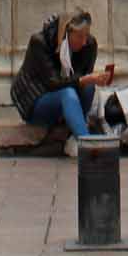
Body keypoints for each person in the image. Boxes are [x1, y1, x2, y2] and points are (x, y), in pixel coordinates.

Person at [10, 9, 115, 157]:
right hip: (36, 99)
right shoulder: (39, 42)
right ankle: (90, 149)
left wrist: (94, 79)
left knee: (88, 87)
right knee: (68, 92)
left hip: (67, 97)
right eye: (79, 36)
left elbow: (82, 77)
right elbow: (52, 83)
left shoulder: (89, 45)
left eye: (86, 36)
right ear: (66, 33)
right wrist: (82, 80)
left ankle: (76, 134)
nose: (84, 41)